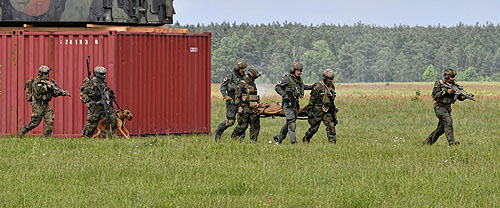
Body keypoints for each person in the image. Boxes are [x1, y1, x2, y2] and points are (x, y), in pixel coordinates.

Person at [19, 65, 70, 138]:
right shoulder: (37, 82)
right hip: (37, 104)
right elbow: (39, 91)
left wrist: (60, 93)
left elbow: (53, 94)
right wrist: (48, 88)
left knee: (50, 120)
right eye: (46, 73)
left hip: (45, 104)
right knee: (35, 122)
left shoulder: (47, 82)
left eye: (48, 73)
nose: (47, 75)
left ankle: (47, 138)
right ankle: (24, 130)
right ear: (41, 74)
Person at [423, 68, 465, 145]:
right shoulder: (439, 83)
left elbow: (459, 97)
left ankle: (428, 142)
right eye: (451, 77)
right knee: (448, 121)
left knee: (441, 128)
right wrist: (445, 92)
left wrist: (463, 97)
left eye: (454, 77)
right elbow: (435, 95)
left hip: (447, 108)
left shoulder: (455, 85)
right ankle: (452, 142)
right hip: (439, 107)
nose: (453, 79)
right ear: (446, 76)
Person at [273, 63, 312, 144]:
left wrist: (312, 87)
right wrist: (284, 95)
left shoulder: (299, 80)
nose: (299, 72)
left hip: (295, 103)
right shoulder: (287, 79)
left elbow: (302, 87)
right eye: (297, 70)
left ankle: (279, 138)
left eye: (300, 70)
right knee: (291, 122)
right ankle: (293, 142)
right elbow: (277, 87)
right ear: (293, 70)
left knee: (290, 122)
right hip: (287, 104)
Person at [302, 69, 338, 144]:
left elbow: (331, 101)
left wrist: (334, 114)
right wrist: (310, 111)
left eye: (332, 79)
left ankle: (332, 143)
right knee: (314, 128)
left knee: (331, 126)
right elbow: (312, 100)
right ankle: (306, 139)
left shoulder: (332, 87)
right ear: (325, 78)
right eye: (329, 79)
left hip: (327, 110)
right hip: (317, 111)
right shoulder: (318, 87)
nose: (330, 81)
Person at [214, 61, 247, 142]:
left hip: (241, 99)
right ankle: (218, 132)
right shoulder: (230, 75)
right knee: (231, 121)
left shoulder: (244, 77)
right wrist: (225, 96)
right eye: (242, 70)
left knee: (243, 120)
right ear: (238, 69)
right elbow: (223, 87)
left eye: (244, 70)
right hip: (231, 99)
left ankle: (239, 138)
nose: (243, 71)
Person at [80, 66, 117, 137]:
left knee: (112, 119)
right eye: (102, 74)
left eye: (104, 74)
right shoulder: (91, 82)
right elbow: (86, 91)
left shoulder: (102, 83)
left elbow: (105, 91)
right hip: (95, 106)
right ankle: (86, 137)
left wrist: (109, 94)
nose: (104, 76)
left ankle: (109, 137)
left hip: (104, 105)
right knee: (92, 124)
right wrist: (95, 94)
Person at [231, 68, 261, 142]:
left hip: (252, 108)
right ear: (250, 76)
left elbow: (254, 96)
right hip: (243, 108)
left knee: (255, 125)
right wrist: (239, 107)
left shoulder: (253, 85)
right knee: (243, 126)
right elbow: (237, 97)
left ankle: (253, 141)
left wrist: (257, 104)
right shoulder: (242, 84)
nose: (255, 79)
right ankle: (234, 138)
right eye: (254, 77)